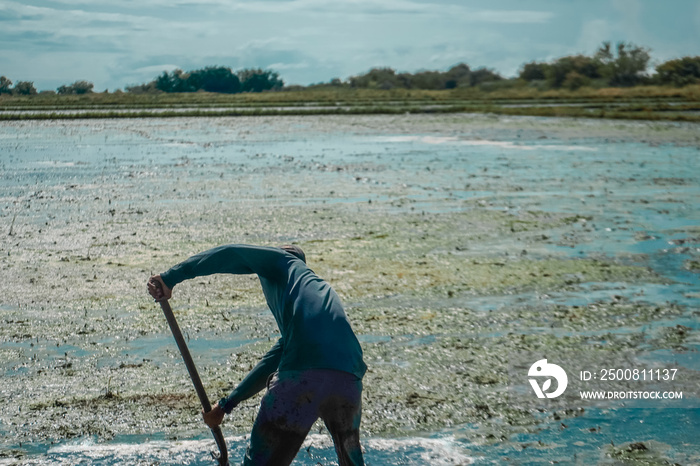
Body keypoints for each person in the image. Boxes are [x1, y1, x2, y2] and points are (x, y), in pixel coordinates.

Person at [147, 244, 367, 466]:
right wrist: (225, 406)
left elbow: (230, 253)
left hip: (302, 372)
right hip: (348, 376)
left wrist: (169, 277)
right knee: (350, 461)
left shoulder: (281, 261)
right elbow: (272, 363)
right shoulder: (309, 296)